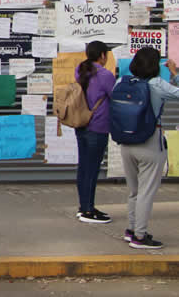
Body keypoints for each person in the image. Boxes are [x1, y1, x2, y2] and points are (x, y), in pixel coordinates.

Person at [118, 47, 175, 249]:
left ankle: (132, 229)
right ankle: (140, 237)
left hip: (126, 142)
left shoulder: (123, 82)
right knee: (146, 192)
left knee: (134, 191)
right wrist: (176, 73)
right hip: (150, 143)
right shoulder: (157, 84)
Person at [73, 41, 115, 224]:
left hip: (81, 124)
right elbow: (115, 96)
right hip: (97, 126)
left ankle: (85, 206)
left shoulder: (80, 69)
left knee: (84, 167)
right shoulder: (105, 75)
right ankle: (87, 211)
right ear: (103, 55)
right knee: (92, 169)